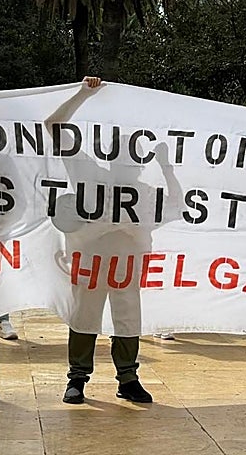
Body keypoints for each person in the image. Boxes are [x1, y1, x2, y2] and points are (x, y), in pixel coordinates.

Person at [58, 77, 153, 405]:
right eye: (124, 157)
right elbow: (54, 127)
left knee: (128, 320)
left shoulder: (145, 191)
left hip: (126, 266)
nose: (129, 165)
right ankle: (78, 378)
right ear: (111, 157)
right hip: (91, 263)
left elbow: (163, 218)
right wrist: (82, 95)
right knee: (84, 315)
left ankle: (128, 377)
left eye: (134, 160)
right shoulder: (87, 172)